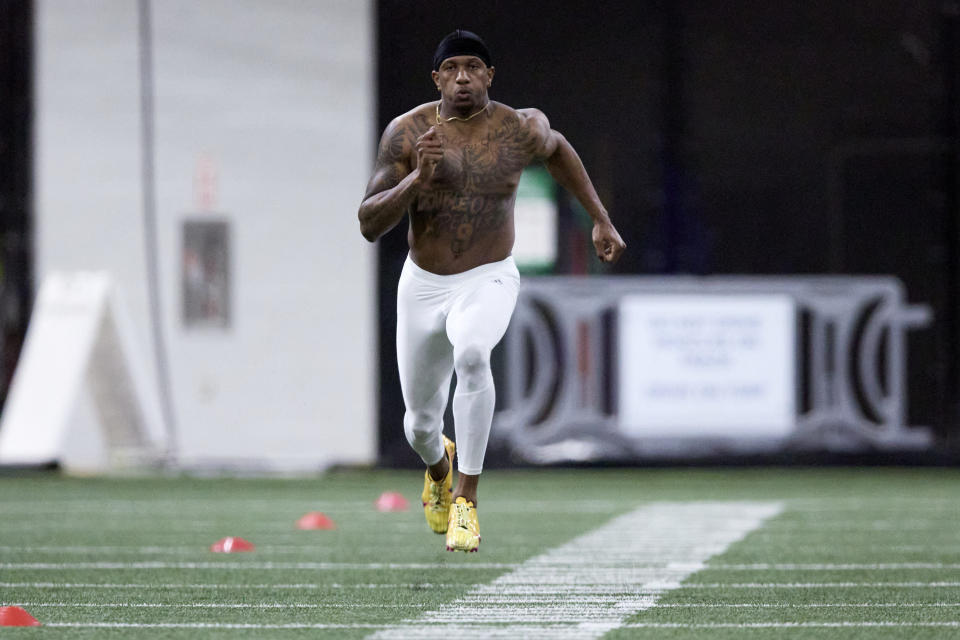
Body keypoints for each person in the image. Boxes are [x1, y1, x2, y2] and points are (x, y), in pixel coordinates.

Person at [358, 30, 625, 552]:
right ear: (436, 78)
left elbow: (559, 150)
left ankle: (467, 500)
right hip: (424, 285)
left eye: (474, 67)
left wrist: (600, 219)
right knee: (418, 426)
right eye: (452, 68)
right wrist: (416, 180)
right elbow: (368, 223)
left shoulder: (518, 127)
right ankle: (439, 470)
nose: (463, 76)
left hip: (489, 275)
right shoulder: (408, 133)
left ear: (490, 75)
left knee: (475, 355)